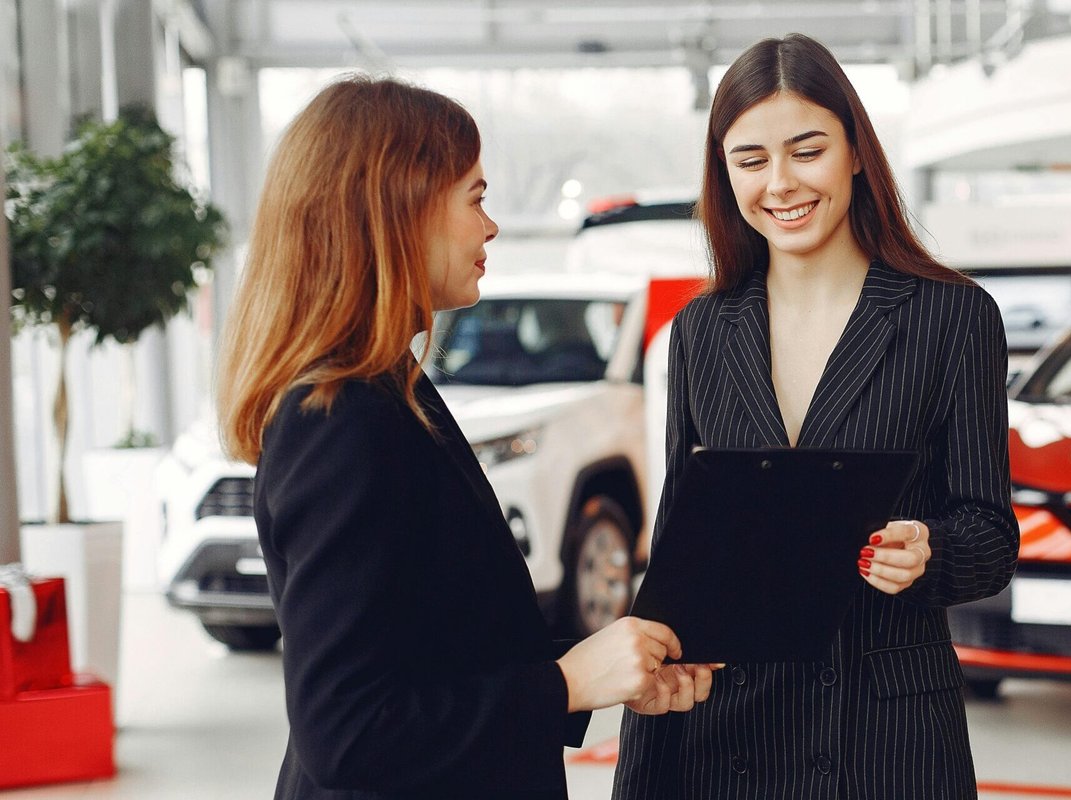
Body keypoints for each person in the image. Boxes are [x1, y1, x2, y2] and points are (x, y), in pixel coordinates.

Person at [216, 76, 715, 800]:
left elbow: (438, 647)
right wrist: (565, 684)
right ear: (398, 208)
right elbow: (348, 731)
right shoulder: (341, 421)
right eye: (475, 197)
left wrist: (602, 668)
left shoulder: (391, 391)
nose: (491, 227)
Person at [613, 34, 1019, 800]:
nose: (781, 183)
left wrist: (930, 550)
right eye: (751, 160)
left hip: (885, 736)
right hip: (726, 730)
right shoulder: (703, 329)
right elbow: (683, 547)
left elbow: (991, 534)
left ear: (857, 153)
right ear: (723, 171)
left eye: (807, 150)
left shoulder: (952, 316)